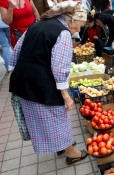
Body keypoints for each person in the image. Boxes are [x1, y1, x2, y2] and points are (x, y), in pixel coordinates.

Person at [9, 1, 88, 164]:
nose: (79, 30)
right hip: (41, 83)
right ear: (72, 19)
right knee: (57, 116)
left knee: (40, 118)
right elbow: (60, 69)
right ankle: (71, 153)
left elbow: (17, 49)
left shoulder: (38, 24)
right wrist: (65, 96)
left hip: (23, 81)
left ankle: (60, 145)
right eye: (80, 25)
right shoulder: (63, 33)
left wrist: (14, 70)